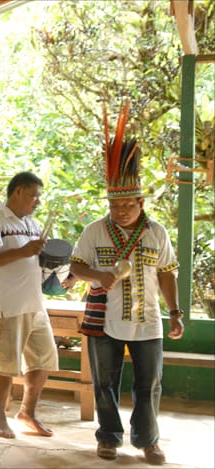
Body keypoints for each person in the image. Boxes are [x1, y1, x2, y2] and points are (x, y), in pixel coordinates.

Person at [69, 101, 183, 465]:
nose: (119, 212)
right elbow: (75, 266)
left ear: (140, 201)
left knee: (149, 386)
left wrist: (176, 312)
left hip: (149, 322)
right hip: (106, 322)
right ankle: (108, 437)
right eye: (114, 206)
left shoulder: (157, 233)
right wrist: (96, 275)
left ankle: (148, 441)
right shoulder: (94, 231)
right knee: (105, 384)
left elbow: (167, 272)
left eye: (127, 206)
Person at [0, 171, 58, 440]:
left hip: (34, 304)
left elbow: (32, 259)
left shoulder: (32, 225)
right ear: (18, 191)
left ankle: (27, 413)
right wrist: (24, 251)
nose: (36, 202)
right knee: (4, 366)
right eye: (34, 196)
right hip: (6, 306)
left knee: (44, 359)